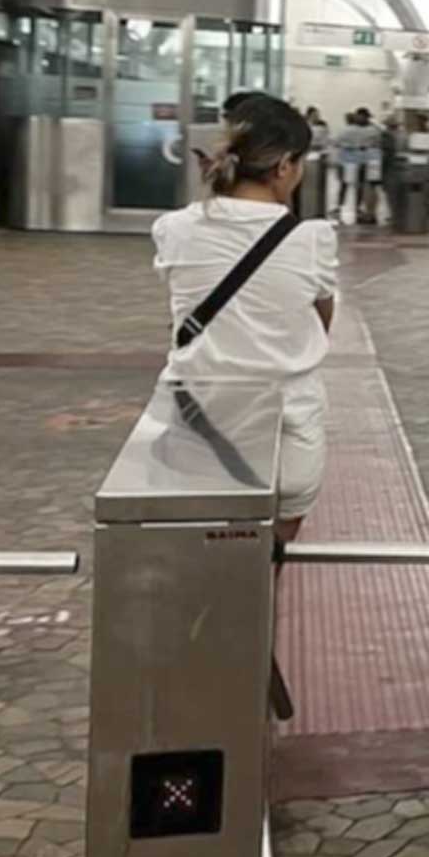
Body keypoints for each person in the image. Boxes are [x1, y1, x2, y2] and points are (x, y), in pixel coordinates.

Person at [153, 94, 337, 541]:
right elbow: (321, 319)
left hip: (197, 415)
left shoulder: (172, 228)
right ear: (284, 167)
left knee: (201, 550)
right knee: (265, 561)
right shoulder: (313, 238)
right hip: (287, 427)